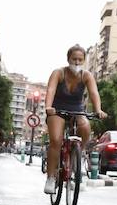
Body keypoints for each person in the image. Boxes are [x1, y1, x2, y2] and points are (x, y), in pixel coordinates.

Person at [43, 44, 104, 196]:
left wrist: (98, 110)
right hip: (57, 109)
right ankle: (51, 177)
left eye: (80, 59)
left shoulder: (86, 76)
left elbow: (94, 93)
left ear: (83, 60)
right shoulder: (59, 73)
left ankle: (78, 154)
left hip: (77, 109)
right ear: (68, 59)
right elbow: (50, 89)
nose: (77, 62)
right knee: (56, 140)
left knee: (85, 127)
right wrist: (48, 107)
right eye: (74, 59)